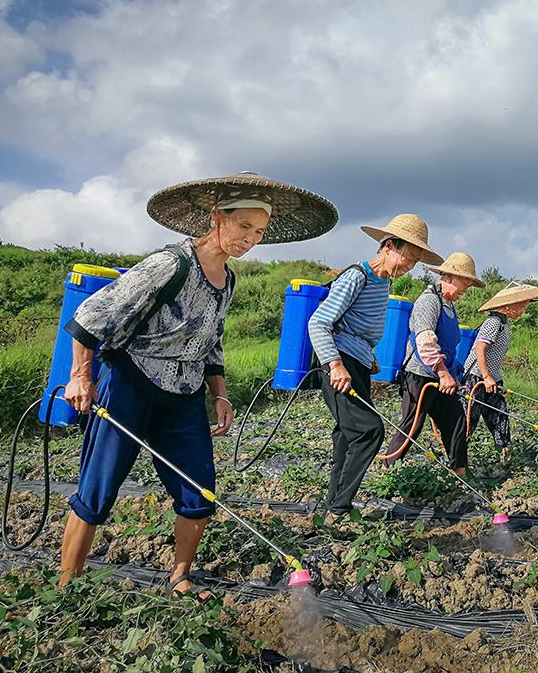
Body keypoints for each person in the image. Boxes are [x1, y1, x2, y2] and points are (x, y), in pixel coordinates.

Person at [59, 173, 337, 599]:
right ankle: (67, 584)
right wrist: (80, 376)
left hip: (185, 395)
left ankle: (180, 576)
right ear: (217, 217)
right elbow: (91, 316)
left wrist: (219, 394)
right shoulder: (170, 265)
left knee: (199, 490)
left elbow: (212, 342)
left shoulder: (228, 280)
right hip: (132, 382)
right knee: (98, 488)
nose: (251, 239)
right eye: (244, 226)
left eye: (259, 232)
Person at [307, 214, 442, 520]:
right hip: (339, 363)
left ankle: (333, 506)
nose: (409, 266)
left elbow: (359, 327)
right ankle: (339, 507)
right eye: (408, 258)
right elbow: (319, 322)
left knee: (347, 435)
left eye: (415, 262)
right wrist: (335, 365)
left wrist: (367, 354)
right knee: (369, 430)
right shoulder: (358, 276)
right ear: (389, 247)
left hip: (357, 362)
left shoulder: (383, 282)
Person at [382, 253, 484, 475]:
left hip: (441, 375)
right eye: (465, 283)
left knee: (455, 420)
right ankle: (387, 471)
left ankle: (460, 474)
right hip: (420, 375)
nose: (466, 289)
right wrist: (443, 373)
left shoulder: (448, 305)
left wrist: (453, 374)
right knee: (412, 425)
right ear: (448, 277)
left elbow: (448, 346)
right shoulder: (429, 301)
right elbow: (425, 341)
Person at [460, 281, 538, 463]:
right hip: (476, 377)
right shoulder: (493, 322)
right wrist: (486, 377)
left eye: (525, 308)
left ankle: (505, 459)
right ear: (507, 306)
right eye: (521, 308)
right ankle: (457, 461)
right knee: (469, 420)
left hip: (493, 378)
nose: (523, 312)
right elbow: (480, 349)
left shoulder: (505, 324)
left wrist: (493, 378)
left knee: (500, 416)